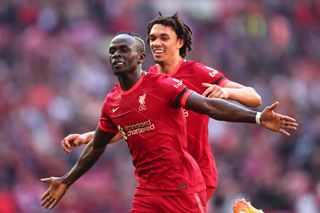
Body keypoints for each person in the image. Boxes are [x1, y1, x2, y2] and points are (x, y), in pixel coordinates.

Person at [41, 32, 297, 212]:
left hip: (182, 186)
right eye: (111, 51)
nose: (116, 55)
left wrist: (256, 117)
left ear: (141, 57)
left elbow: (208, 105)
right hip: (148, 191)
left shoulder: (163, 85)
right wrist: (66, 179)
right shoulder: (112, 102)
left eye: (123, 50)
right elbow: (99, 145)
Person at [61, 12, 262, 201]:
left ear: (180, 42)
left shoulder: (198, 73)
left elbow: (253, 97)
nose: (156, 43)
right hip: (162, 181)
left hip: (197, 174)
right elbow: (133, 126)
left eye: (164, 38)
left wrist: (227, 92)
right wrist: (88, 137)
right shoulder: (145, 80)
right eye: (152, 38)